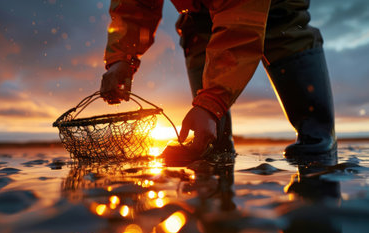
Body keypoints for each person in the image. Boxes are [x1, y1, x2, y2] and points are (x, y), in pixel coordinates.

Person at [100, 0, 336, 160]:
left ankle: (317, 141)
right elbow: (134, 5)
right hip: (198, 8)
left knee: (282, 24)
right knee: (196, 32)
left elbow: (239, 25)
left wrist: (211, 103)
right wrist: (122, 57)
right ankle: (213, 145)